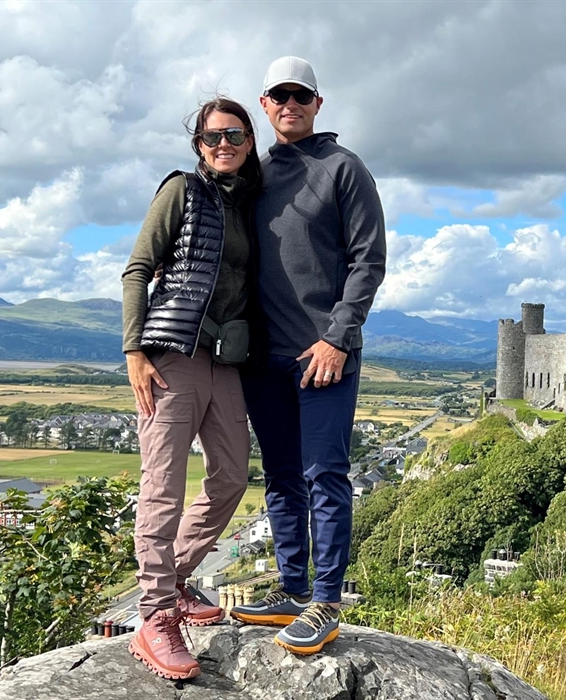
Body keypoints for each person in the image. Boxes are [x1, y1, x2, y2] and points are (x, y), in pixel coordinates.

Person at [229, 56, 386, 655]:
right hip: (264, 357)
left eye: (301, 96)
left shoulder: (344, 169)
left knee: (325, 477)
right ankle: (294, 590)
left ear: (318, 104)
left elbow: (368, 259)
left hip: (325, 354)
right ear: (264, 105)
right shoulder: (258, 173)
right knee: (282, 478)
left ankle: (325, 601)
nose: (289, 104)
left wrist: (338, 336)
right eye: (278, 96)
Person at [121, 97, 262, 679]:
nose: (222, 144)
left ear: (249, 140)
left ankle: (173, 580)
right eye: (211, 137)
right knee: (163, 484)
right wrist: (134, 350)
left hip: (224, 359)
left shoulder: (251, 201)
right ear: (198, 145)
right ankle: (154, 616)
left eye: (233, 134)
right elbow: (137, 268)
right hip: (172, 354)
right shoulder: (181, 190)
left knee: (231, 474)